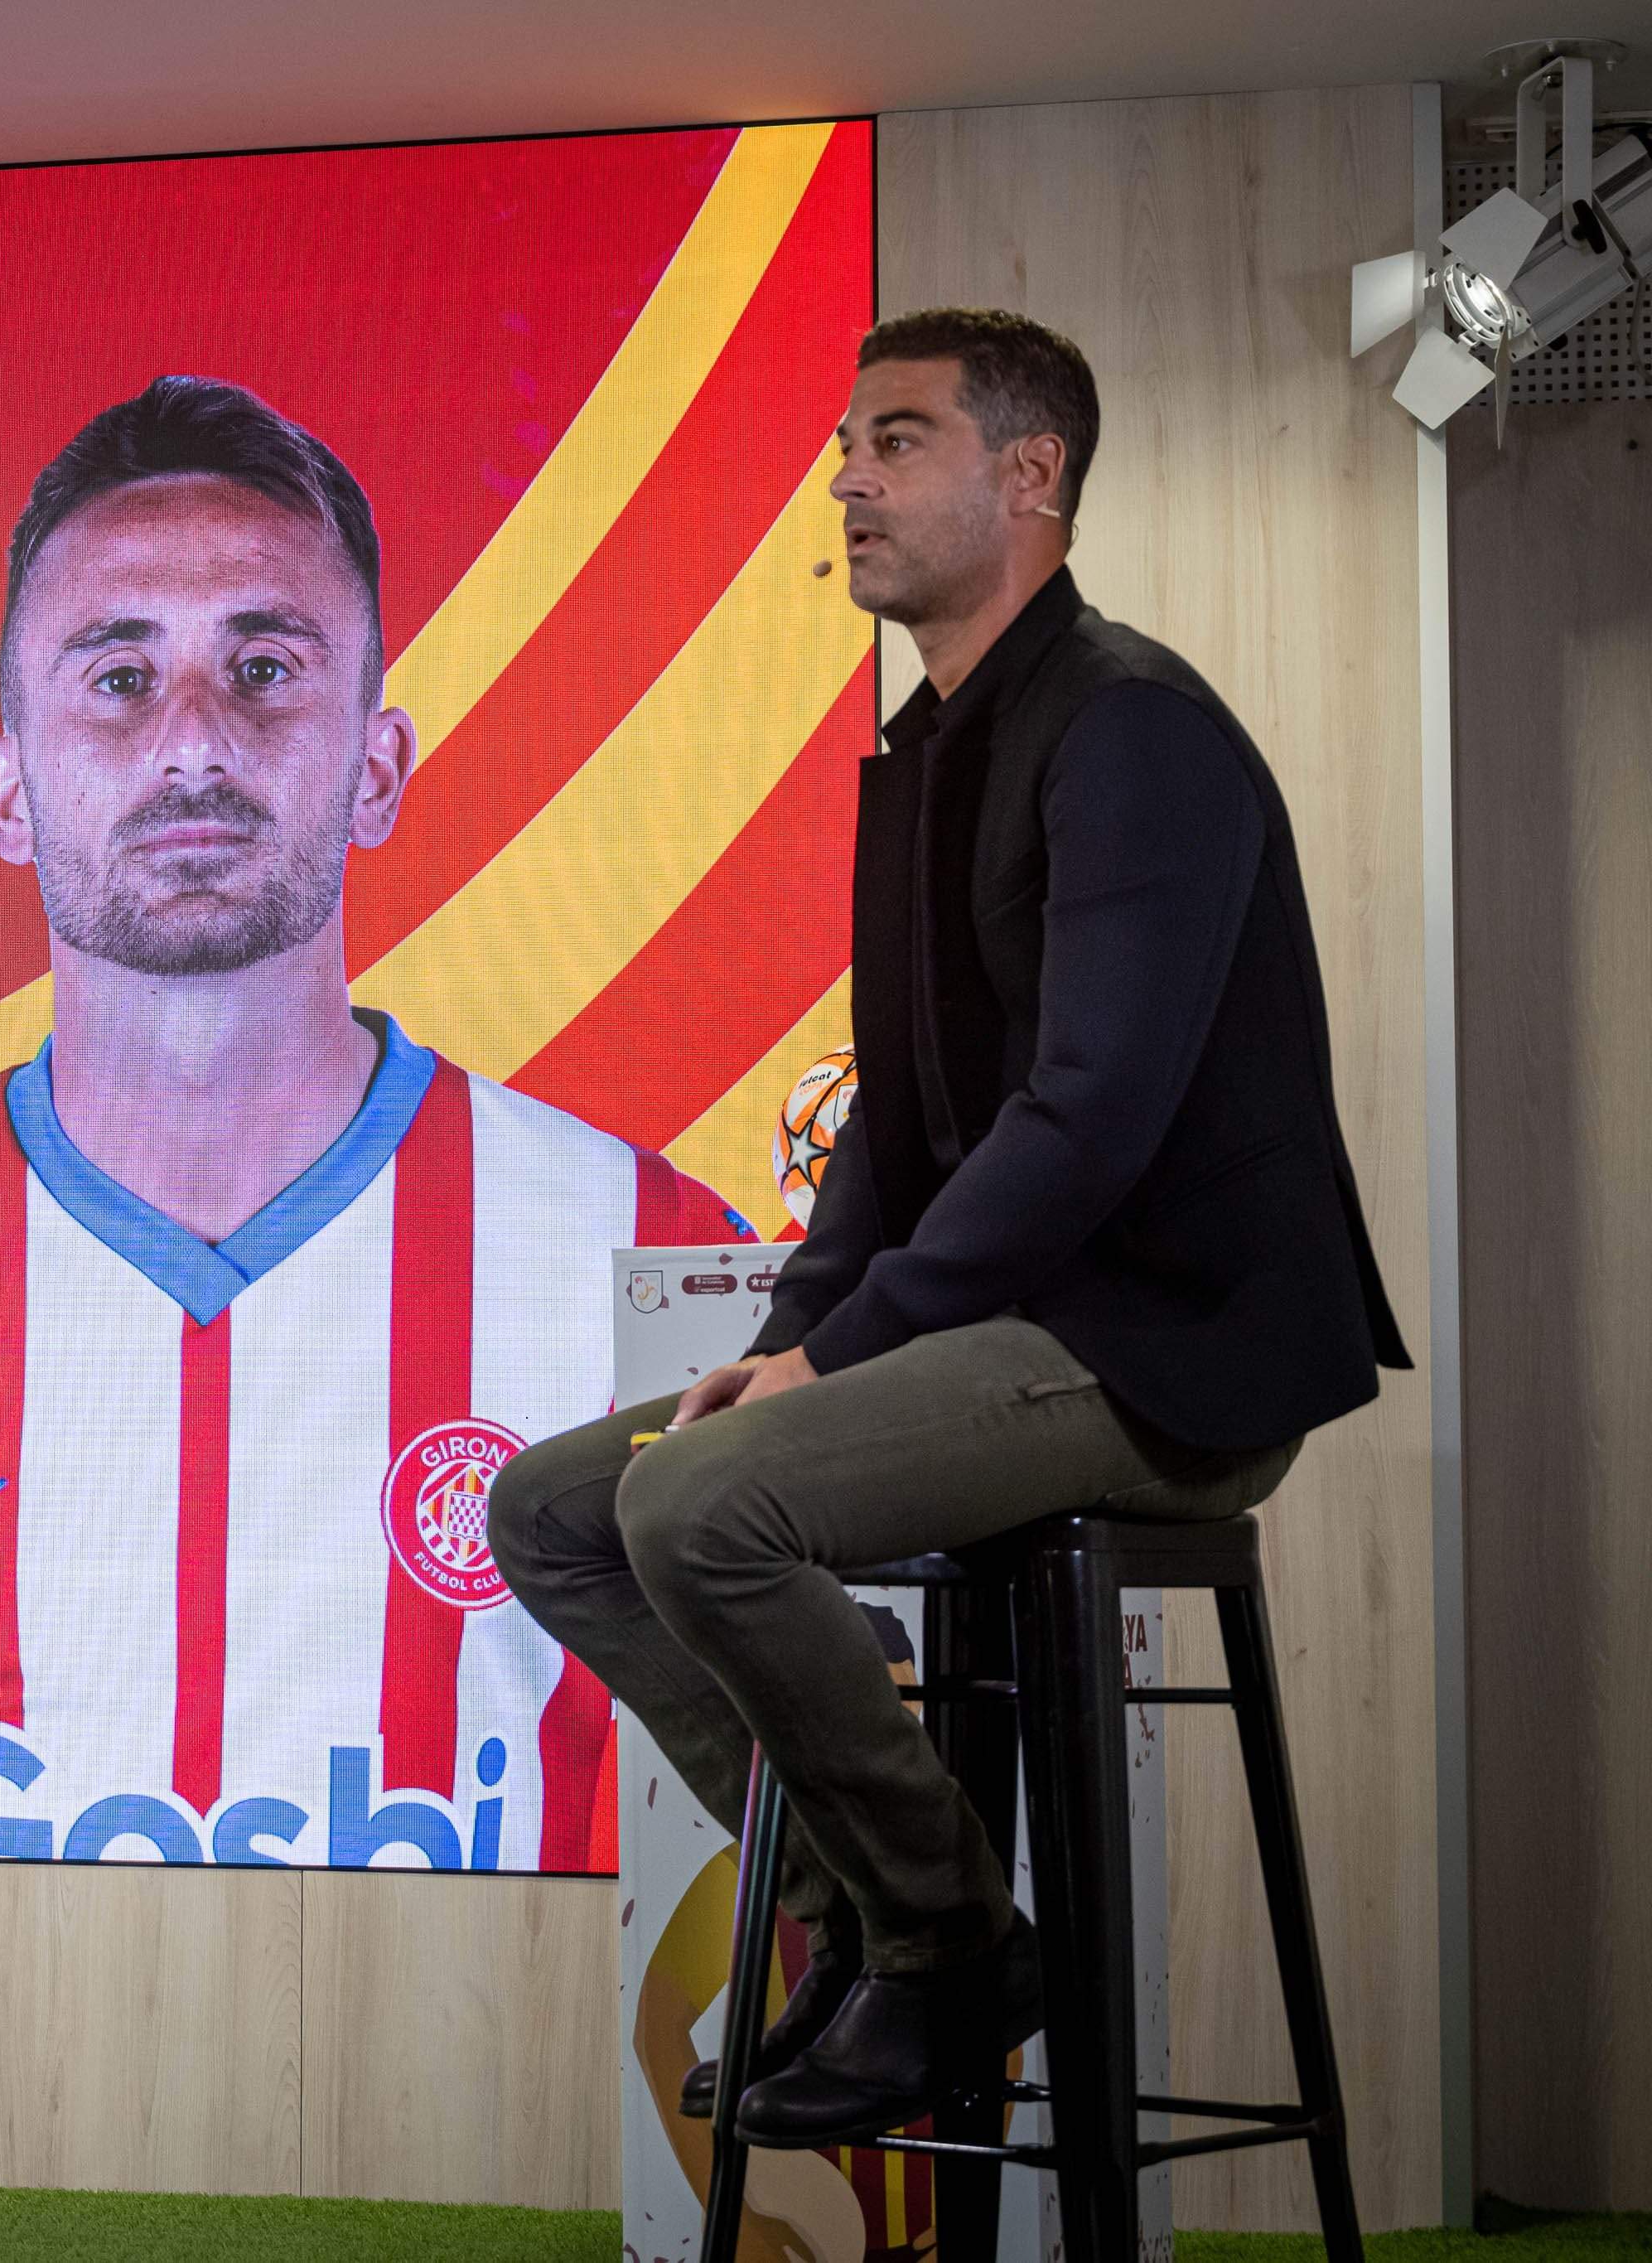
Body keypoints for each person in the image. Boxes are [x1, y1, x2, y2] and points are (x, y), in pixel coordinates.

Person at [0, 376, 746, 1865]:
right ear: (8, 791)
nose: (192, 740)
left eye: (264, 667)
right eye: (119, 679)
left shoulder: (656, 1264)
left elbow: (771, 1892)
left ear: (376, 767)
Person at [490, 310, 1408, 2143]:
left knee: (699, 1501)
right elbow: (897, 1130)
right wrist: (791, 1332)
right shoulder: (926, 751)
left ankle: (949, 1953)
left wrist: (840, 1356)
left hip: (1173, 1351)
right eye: (842, 446)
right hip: (1018, 1335)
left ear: (1028, 474)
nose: (843, 480)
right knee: (555, 1509)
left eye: (893, 441)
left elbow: (1085, 1123)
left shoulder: (1130, 729)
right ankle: (869, 1923)